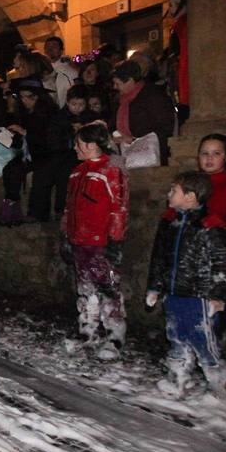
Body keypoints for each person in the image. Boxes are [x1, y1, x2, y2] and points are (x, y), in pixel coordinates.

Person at [145, 171, 226, 395]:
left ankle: (217, 381)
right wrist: (155, 287)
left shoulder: (210, 225)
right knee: (175, 335)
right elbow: (159, 257)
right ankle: (178, 378)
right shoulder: (169, 223)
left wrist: (218, 295)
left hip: (199, 297)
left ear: (190, 197)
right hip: (173, 294)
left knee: (202, 339)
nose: (168, 194)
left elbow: (221, 263)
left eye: (174, 190)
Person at [61, 122, 128, 359]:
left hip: (102, 244)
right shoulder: (77, 172)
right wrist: (67, 235)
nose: (75, 149)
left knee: (107, 288)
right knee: (85, 289)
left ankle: (114, 336)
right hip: (81, 242)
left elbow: (119, 207)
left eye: (78, 144)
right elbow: (70, 208)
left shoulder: (110, 170)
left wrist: (114, 240)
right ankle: (88, 331)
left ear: (90, 145)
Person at [197, 134, 226, 331]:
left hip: (223, 255)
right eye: (204, 153)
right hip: (194, 254)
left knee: (218, 303)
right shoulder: (192, 183)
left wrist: (220, 222)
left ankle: (215, 346)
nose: (209, 158)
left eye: (216, 153)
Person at [0, 77, 52, 226]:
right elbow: (21, 142)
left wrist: (25, 133)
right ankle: (12, 209)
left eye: (28, 97)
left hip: (46, 155)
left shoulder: (49, 114)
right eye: (21, 97)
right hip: (29, 155)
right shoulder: (24, 114)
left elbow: (48, 140)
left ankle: (30, 213)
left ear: (37, 97)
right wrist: (10, 136)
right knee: (10, 169)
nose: (24, 100)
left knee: (40, 175)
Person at [31, 88, 87, 223]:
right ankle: (39, 213)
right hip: (60, 152)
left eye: (81, 105)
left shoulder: (88, 117)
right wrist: (70, 134)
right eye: (74, 104)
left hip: (79, 155)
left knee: (66, 174)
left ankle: (61, 210)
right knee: (43, 173)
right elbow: (53, 139)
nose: (77, 108)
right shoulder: (58, 117)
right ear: (67, 102)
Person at [110, 60, 176, 165]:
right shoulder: (120, 100)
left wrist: (133, 139)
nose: (115, 87)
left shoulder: (153, 96)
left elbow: (165, 126)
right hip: (125, 151)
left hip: (148, 155)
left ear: (130, 81)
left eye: (118, 83)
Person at [42, 35, 78, 107]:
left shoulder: (69, 70)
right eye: (48, 47)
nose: (50, 49)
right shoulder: (41, 70)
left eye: (54, 47)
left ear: (61, 50)